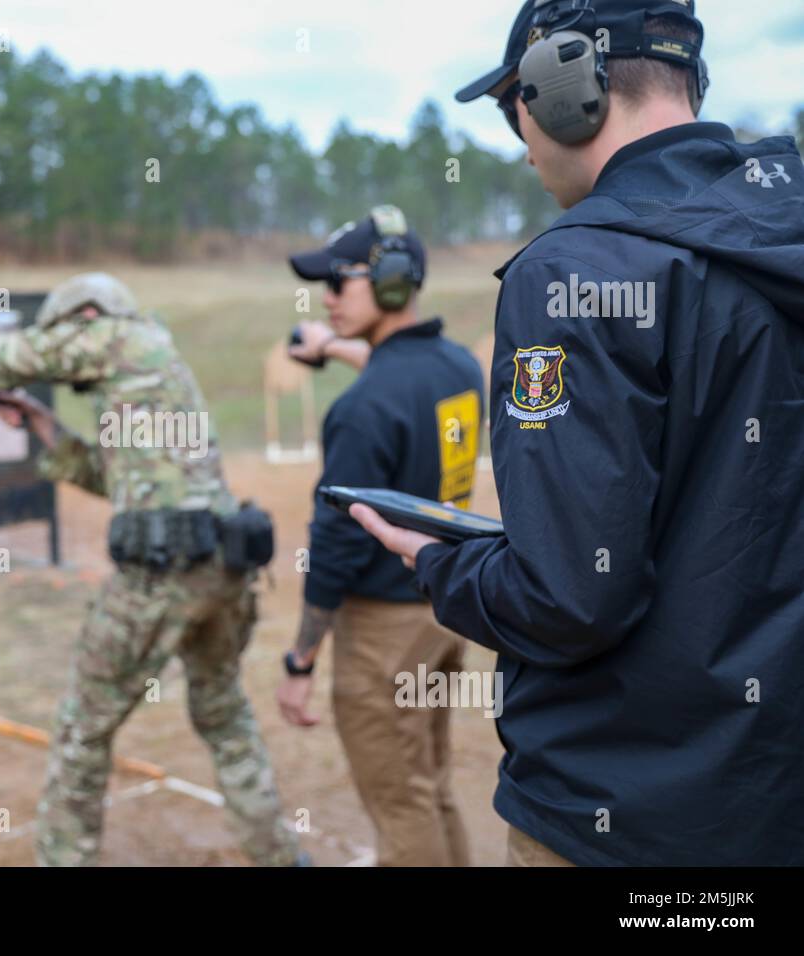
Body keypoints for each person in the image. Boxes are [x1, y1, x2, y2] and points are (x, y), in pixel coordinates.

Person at [353, 0, 804, 866]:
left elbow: (567, 600)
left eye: (513, 104)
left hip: (626, 820)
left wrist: (439, 563)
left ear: (566, 86)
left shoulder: (577, 272)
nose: (520, 144)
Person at [0, 273, 304, 867]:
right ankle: (280, 857)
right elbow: (117, 477)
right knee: (224, 717)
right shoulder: (151, 365)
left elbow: (9, 356)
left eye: (66, 336)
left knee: (81, 733)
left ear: (87, 318)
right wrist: (45, 426)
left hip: (158, 578)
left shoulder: (117, 337)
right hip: (223, 571)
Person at [276, 207, 484, 866]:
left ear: (392, 284)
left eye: (339, 284)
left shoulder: (362, 409)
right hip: (445, 607)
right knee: (429, 787)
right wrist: (332, 347)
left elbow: (334, 548)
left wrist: (300, 660)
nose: (327, 299)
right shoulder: (456, 366)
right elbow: (399, 370)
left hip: (383, 635)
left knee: (399, 806)